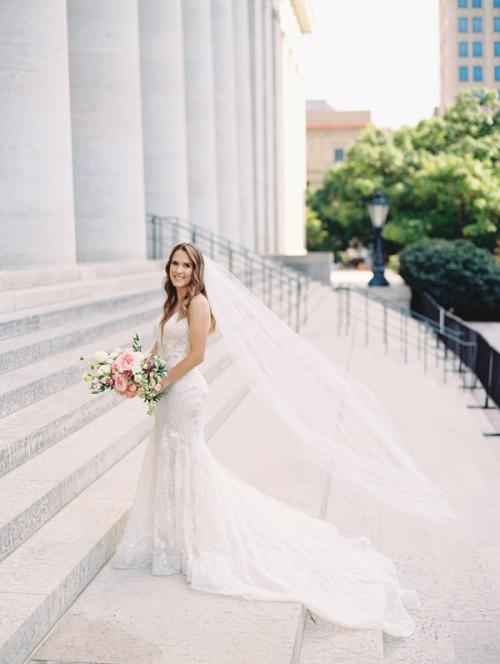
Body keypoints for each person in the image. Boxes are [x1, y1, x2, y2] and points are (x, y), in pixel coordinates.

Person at [111, 242, 455, 637]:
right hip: (166, 389)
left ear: (197, 269)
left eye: (186, 265)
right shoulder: (172, 302)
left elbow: (197, 354)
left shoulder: (199, 303)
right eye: (175, 264)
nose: (179, 270)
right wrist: (137, 372)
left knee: (188, 458)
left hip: (184, 392)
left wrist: (161, 382)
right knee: (169, 457)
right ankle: (168, 535)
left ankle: (192, 537)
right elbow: (160, 347)